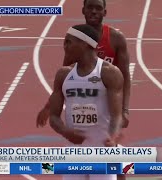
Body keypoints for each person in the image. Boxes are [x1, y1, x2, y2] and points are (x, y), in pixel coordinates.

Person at [37, 0, 131, 129]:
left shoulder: (116, 38)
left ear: (105, 12)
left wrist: (124, 110)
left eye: (98, 8)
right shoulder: (74, 40)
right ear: (83, 10)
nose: (93, 11)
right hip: (82, 101)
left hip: (107, 102)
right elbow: (63, 80)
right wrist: (49, 108)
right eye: (90, 7)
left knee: (107, 141)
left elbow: (125, 76)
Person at [49, 24, 123, 180]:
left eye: (69, 42)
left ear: (84, 43)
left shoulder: (109, 73)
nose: (65, 46)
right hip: (74, 152)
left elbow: (117, 115)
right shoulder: (63, 75)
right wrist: (66, 132)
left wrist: (113, 137)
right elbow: (54, 117)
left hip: (101, 150)